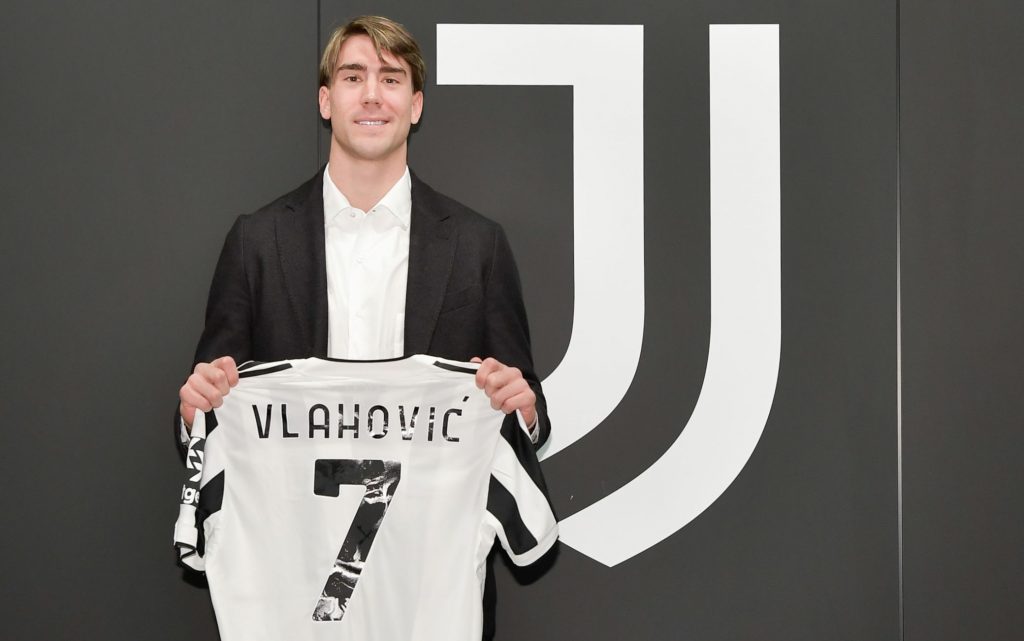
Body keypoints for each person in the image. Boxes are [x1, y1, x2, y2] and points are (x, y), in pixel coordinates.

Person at [175, 15, 549, 451]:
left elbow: (526, 407)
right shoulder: (255, 241)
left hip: (433, 495)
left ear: (416, 106)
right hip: (294, 496)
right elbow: (210, 407)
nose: (372, 95)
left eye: (391, 79)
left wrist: (525, 412)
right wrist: (195, 414)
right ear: (326, 100)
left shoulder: (478, 245)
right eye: (353, 77)